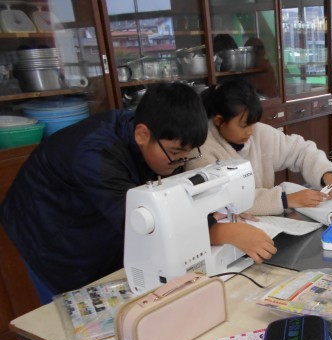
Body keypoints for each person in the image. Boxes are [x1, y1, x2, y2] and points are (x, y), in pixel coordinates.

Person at [0, 82, 275, 304]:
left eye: (188, 154)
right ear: (142, 135)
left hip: (96, 213)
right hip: (45, 225)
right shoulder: (95, 157)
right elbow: (139, 227)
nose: (181, 162)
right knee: (74, 306)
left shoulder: (154, 136)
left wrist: (216, 214)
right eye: (176, 154)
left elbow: (171, 197)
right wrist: (221, 231)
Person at [188, 79, 332, 216]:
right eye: (243, 125)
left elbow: (300, 150)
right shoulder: (202, 150)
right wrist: (285, 200)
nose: (250, 131)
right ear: (219, 121)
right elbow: (222, 201)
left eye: (252, 123)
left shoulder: (258, 133)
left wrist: (325, 174)